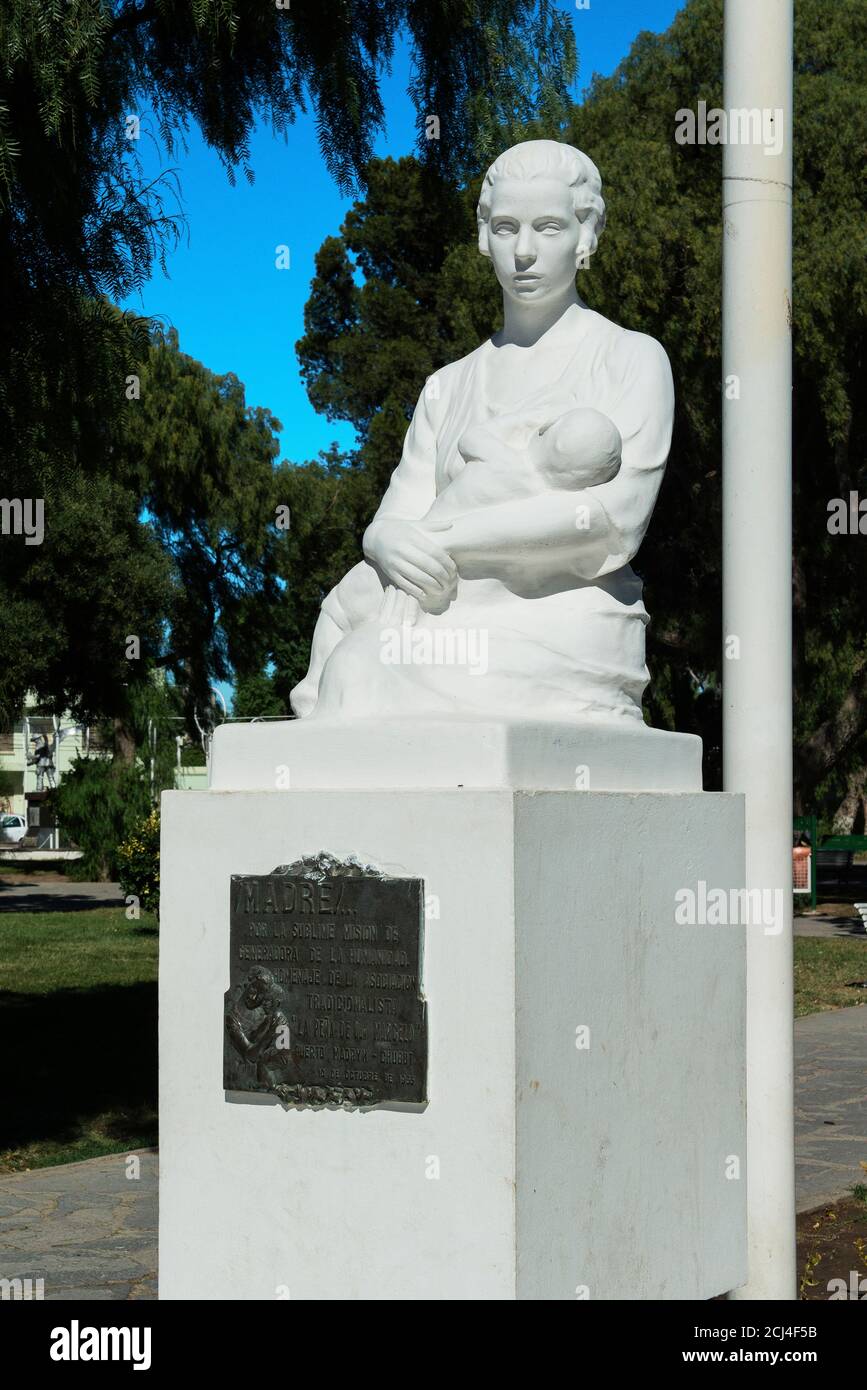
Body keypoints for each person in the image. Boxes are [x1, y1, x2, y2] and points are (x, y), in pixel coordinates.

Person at [290, 139, 674, 723]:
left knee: (362, 668)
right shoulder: (448, 385)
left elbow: (607, 525)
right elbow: (398, 513)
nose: (523, 251)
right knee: (355, 654)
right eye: (504, 227)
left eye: (548, 227)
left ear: (586, 234)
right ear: (482, 236)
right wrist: (384, 542)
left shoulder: (630, 358)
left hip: (560, 614)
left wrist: (449, 541)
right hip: (434, 600)